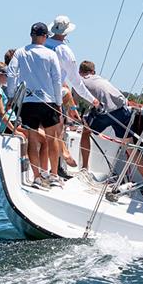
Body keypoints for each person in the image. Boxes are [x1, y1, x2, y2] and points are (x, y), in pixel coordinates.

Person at [78, 61, 143, 199]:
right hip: (122, 112)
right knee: (130, 147)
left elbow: (73, 102)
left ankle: (84, 169)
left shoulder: (80, 81)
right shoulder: (103, 80)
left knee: (86, 131)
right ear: (93, 71)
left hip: (104, 113)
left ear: (81, 72)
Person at [6, 22, 63, 190]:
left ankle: (37, 177)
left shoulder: (20, 52)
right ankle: (54, 175)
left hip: (28, 102)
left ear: (31, 35)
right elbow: (57, 79)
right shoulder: (51, 54)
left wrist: (11, 96)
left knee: (32, 139)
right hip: (48, 101)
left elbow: (11, 73)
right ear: (45, 36)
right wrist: (59, 102)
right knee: (52, 138)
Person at [44, 16, 100, 173]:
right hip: (53, 96)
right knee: (56, 131)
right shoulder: (65, 51)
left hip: (36, 95)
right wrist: (92, 100)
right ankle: (57, 168)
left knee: (46, 132)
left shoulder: (43, 44)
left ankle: (50, 168)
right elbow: (77, 82)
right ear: (66, 33)